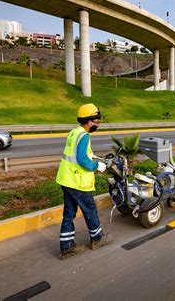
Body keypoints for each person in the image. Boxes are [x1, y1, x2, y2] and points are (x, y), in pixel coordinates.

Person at [55, 103, 112, 260]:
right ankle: (98, 239)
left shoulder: (75, 132)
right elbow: (81, 159)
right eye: (96, 121)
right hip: (78, 181)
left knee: (69, 213)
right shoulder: (85, 136)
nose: (97, 124)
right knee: (90, 210)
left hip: (66, 179)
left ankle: (66, 247)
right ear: (89, 121)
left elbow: (76, 152)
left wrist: (91, 155)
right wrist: (97, 166)